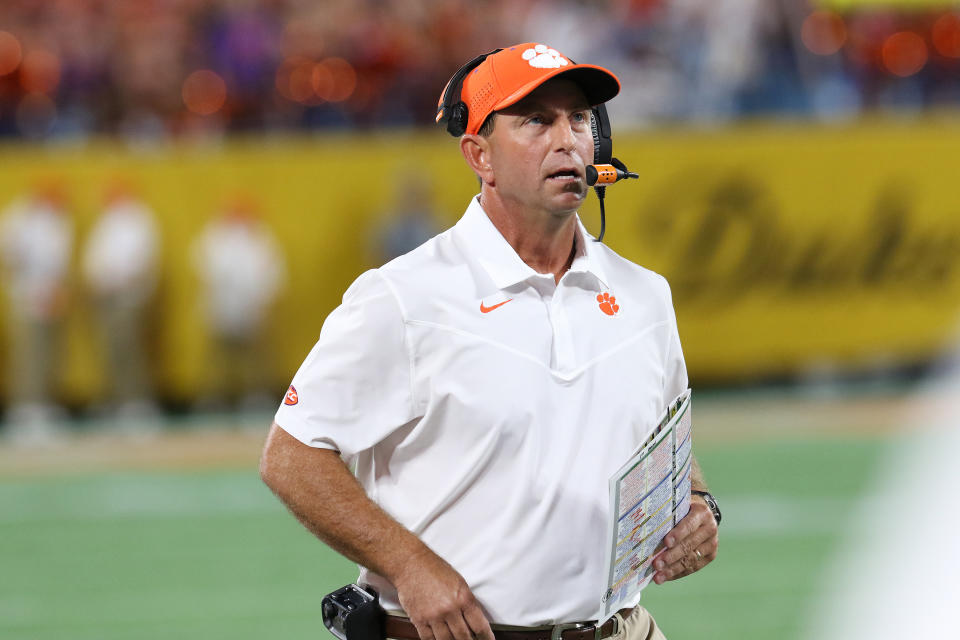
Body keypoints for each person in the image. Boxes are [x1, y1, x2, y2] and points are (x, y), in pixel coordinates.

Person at [260, 43, 720, 640]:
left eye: (579, 119)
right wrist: (409, 564)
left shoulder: (644, 296)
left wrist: (701, 508)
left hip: (624, 628)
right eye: (537, 120)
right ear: (480, 155)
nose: (568, 140)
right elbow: (291, 456)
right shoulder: (404, 299)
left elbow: (667, 443)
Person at [193, 195, 285, 410]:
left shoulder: (261, 238)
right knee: (218, 357)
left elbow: (272, 272)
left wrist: (262, 298)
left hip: (252, 307)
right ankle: (214, 399)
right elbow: (205, 266)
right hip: (221, 305)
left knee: (256, 359)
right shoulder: (214, 236)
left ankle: (256, 397)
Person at [82, 180, 160, 421]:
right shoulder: (106, 222)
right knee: (111, 350)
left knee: (129, 348)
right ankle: (116, 398)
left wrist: (118, 279)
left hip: (128, 296)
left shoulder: (139, 220)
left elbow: (141, 260)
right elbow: (94, 258)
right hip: (105, 298)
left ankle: (136, 401)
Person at [0, 180, 72, 441]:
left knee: (47, 354)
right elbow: (11, 257)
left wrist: (55, 290)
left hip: (49, 297)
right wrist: (31, 288)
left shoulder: (55, 222)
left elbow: (56, 262)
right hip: (26, 297)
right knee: (28, 355)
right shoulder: (18, 219)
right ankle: (26, 407)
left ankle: (44, 403)